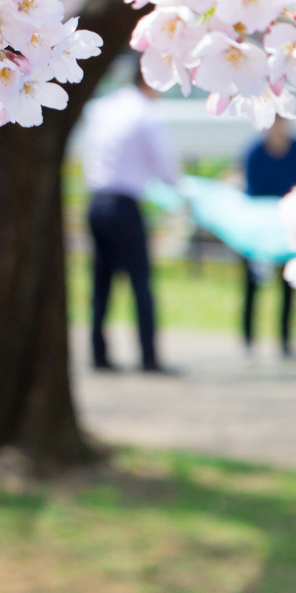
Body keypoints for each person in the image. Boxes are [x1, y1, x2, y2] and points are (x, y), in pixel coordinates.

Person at [80, 63, 181, 374]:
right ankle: (148, 357)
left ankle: (98, 354)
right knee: (140, 282)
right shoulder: (145, 115)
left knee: (101, 282)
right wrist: (177, 188)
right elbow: (165, 166)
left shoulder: (101, 108)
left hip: (96, 201)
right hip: (125, 204)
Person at [242, 117, 296, 358]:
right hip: (260, 228)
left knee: (288, 285)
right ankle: (248, 340)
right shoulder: (254, 152)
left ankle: (285, 341)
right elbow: (253, 193)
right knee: (251, 285)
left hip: (290, 229)